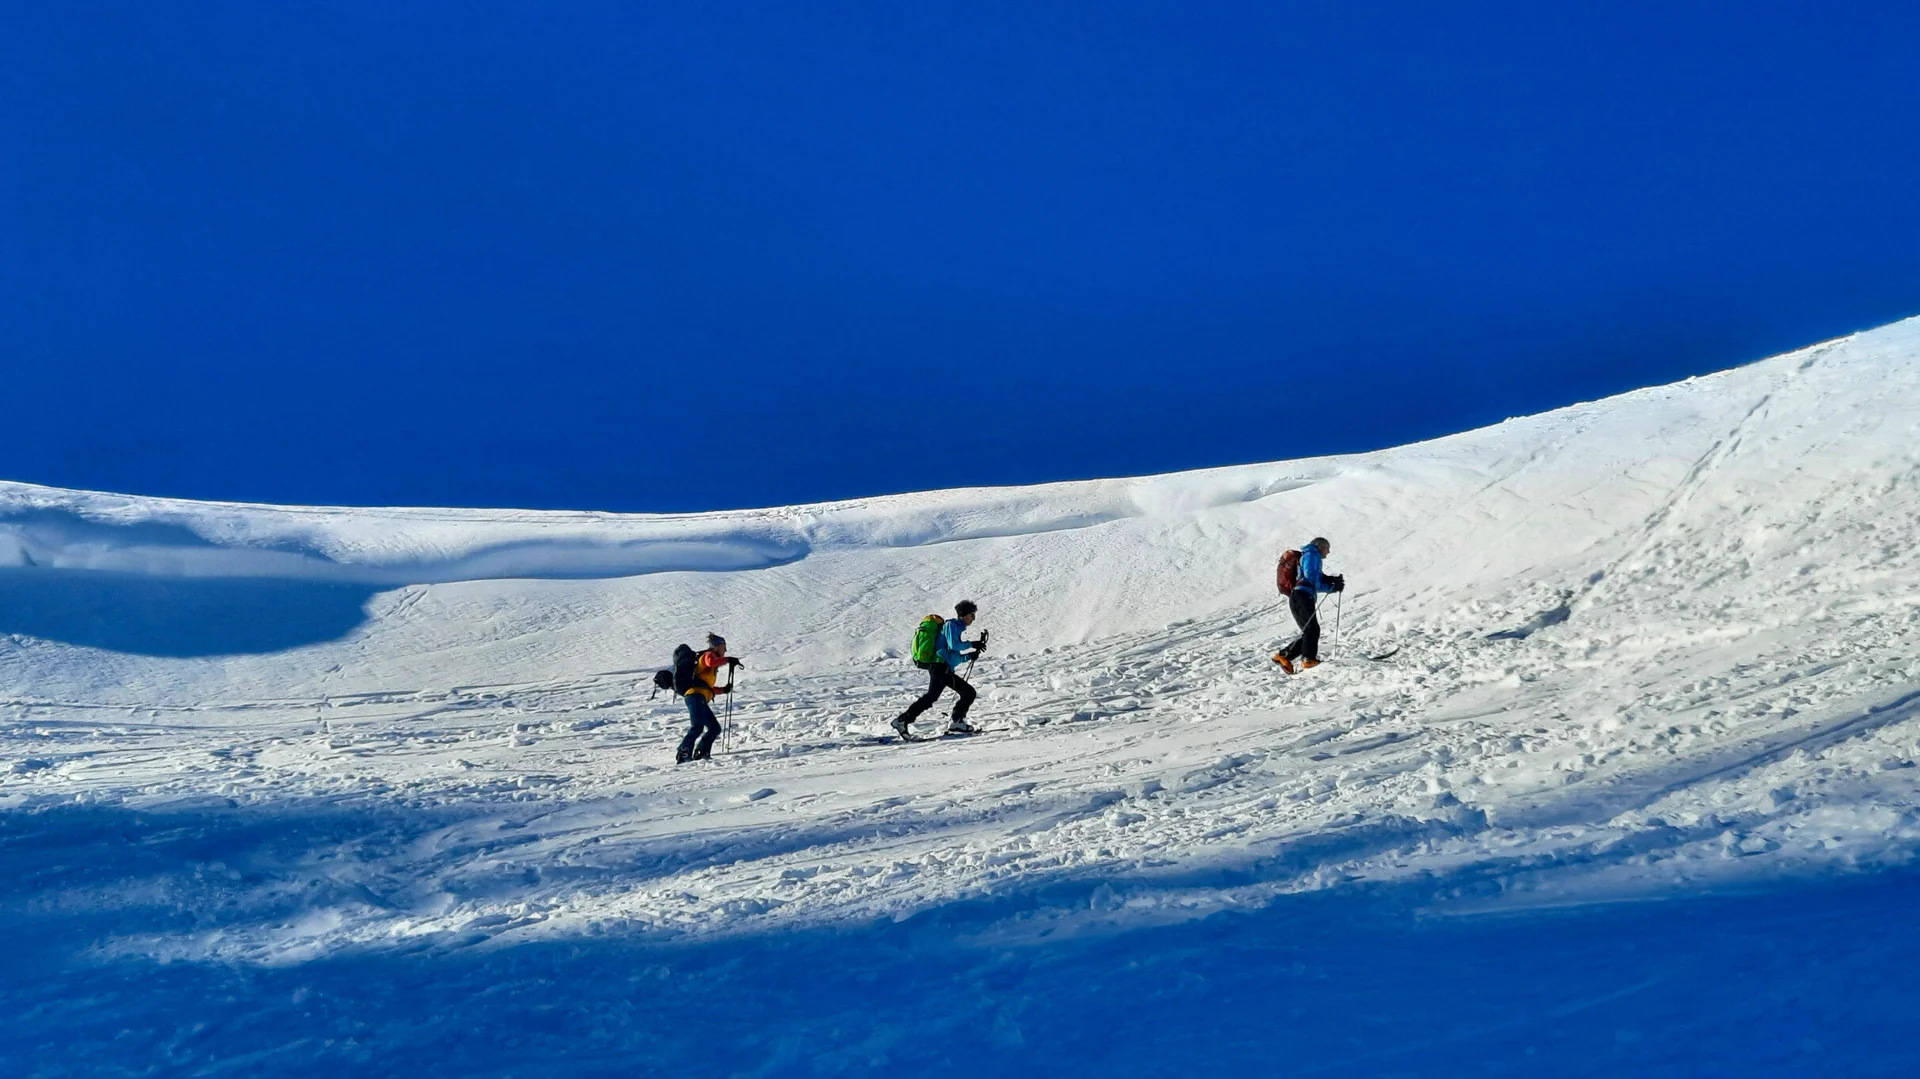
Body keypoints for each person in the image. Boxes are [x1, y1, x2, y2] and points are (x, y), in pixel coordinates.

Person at [892, 600, 987, 738]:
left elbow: (953, 657)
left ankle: (957, 722)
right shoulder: (951, 625)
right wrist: (972, 644)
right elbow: (954, 645)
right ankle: (902, 720)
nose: (973, 618)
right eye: (972, 615)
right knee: (937, 696)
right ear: (964, 615)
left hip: (944, 668)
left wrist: (969, 655)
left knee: (966, 693)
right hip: (939, 667)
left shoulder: (956, 628)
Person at [1274, 537, 1344, 674]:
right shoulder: (1312, 554)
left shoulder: (1311, 556)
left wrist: (1333, 586)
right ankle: (1308, 659)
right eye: (1327, 548)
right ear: (1320, 547)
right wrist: (1331, 580)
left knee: (1310, 631)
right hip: (1302, 596)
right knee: (1312, 630)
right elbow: (1311, 577)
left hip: (1301, 595)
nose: (1328, 552)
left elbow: (1312, 582)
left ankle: (1284, 656)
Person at [677, 633, 740, 763]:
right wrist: (728, 660)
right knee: (697, 726)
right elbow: (710, 662)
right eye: (724, 647)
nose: (725, 650)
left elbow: (707, 687)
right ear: (717, 646)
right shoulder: (709, 655)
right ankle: (683, 753)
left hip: (700, 697)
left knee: (714, 728)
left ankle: (701, 752)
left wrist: (723, 690)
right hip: (694, 696)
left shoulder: (711, 665)